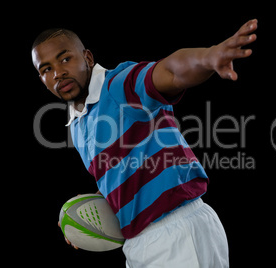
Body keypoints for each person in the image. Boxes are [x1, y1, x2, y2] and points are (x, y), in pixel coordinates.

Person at [32, 19, 258, 268]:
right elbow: (119, 181)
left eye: (65, 59)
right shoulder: (76, 125)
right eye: (46, 69)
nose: (58, 73)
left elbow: (170, 71)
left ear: (87, 57)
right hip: (137, 245)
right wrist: (81, 217)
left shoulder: (118, 86)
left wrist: (208, 57)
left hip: (177, 233)